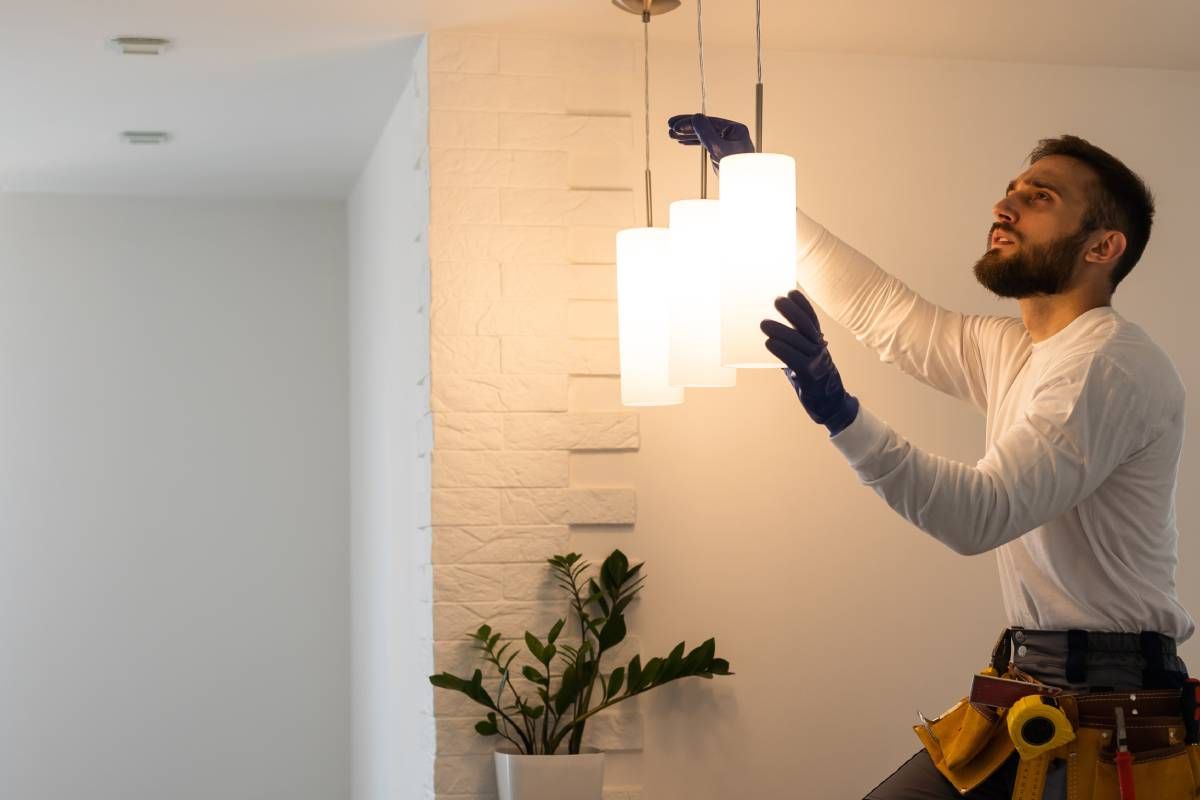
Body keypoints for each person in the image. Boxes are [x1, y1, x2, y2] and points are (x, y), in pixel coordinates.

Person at [668, 115, 1196, 799]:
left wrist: (841, 413)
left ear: (1104, 246)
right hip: (1030, 693)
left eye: (1039, 198)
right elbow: (884, 313)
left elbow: (979, 516)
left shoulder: (1108, 365)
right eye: (1011, 191)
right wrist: (754, 193)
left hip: (1115, 720)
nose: (1004, 207)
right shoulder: (1019, 352)